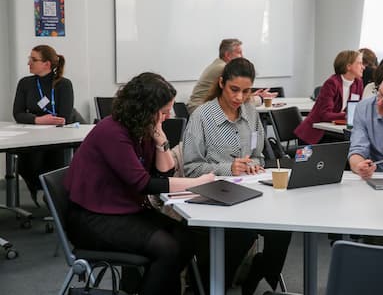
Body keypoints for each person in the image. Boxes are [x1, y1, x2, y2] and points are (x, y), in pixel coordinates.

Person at [64, 72, 214, 295]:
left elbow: (163, 173)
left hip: (123, 210)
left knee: (189, 236)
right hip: (92, 218)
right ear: (145, 110)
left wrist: (162, 143)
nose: (167, 116)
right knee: (168, 248)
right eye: (163, 112)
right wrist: (195, 183)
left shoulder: (142, 130)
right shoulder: (112, 131)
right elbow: (143, 184)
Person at [183, 58, 291, 294]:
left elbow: (259, 156)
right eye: (234, 90)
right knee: (243, 232)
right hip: (214, 193)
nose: (239, 98)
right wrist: (228, 168)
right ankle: (217, 283)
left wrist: (252, 164)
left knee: (284, 226)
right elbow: (191, 168)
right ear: (221, 83)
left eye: (246, 91)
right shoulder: (202, 116)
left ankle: (259, 270)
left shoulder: (251, 114)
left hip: (250, 191)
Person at [12, 45, 74, 205]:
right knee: (28, 163)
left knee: (54, 163)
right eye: (29, 59)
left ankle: (50, 194)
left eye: (33, 59)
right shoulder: (25, 83)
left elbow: (64, 116)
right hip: (31, 136)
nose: (29, 63)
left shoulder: (63, 84)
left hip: (57, 137)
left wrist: (45, 120)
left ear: (46, 64)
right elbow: (18, 113)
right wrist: (38, 120)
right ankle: (39, 189)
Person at [186, 38, 275, 114]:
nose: (242, 56)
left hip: (197, 108)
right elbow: (235, 101)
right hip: (201, 110)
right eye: (239, 53)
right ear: (228, 55)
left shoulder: (217, 64)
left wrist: (250, 95)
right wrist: (261, 98)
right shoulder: (223, 68)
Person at [295, 50, 364, 144]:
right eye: (359, 63)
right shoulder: (332, 83)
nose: (363, 67)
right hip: (314, 134)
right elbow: (325, 114)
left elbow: (355, 109)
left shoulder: (358, 83)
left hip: (334, 130)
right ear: (348, 66)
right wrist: (349, 116)